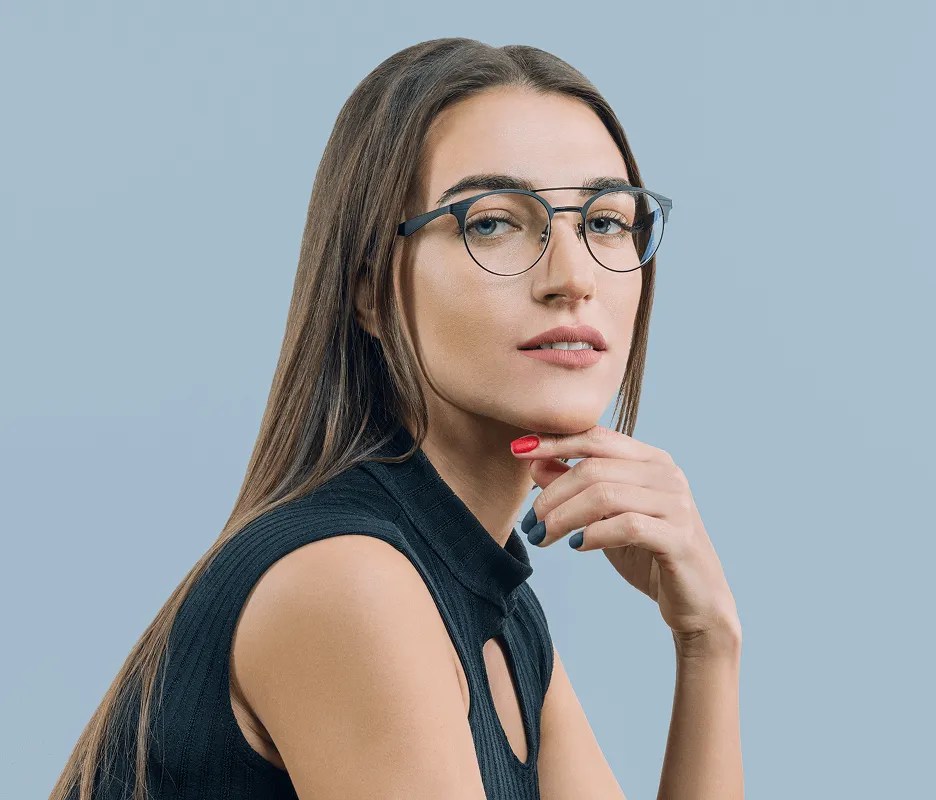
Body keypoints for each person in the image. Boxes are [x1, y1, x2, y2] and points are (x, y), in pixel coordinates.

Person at [51, 37, 743, 799]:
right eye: (491, 222)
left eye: (606, 221)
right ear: (371, 289)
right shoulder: (350, 582)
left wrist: (706, 642)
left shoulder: (495, 610)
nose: (573, 277)